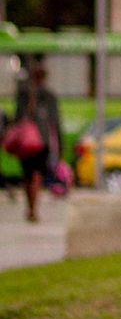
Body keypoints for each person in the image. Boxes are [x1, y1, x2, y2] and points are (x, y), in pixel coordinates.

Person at [9, 62, 60, 223]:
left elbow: (16, 118)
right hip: (42, 141)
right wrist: (60, 145)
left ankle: (29, 207)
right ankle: (33, 209)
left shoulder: (23, 94)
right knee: (38, 174)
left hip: (25, 142)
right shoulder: (49, 95)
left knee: (27, 175)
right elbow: (56, 122)